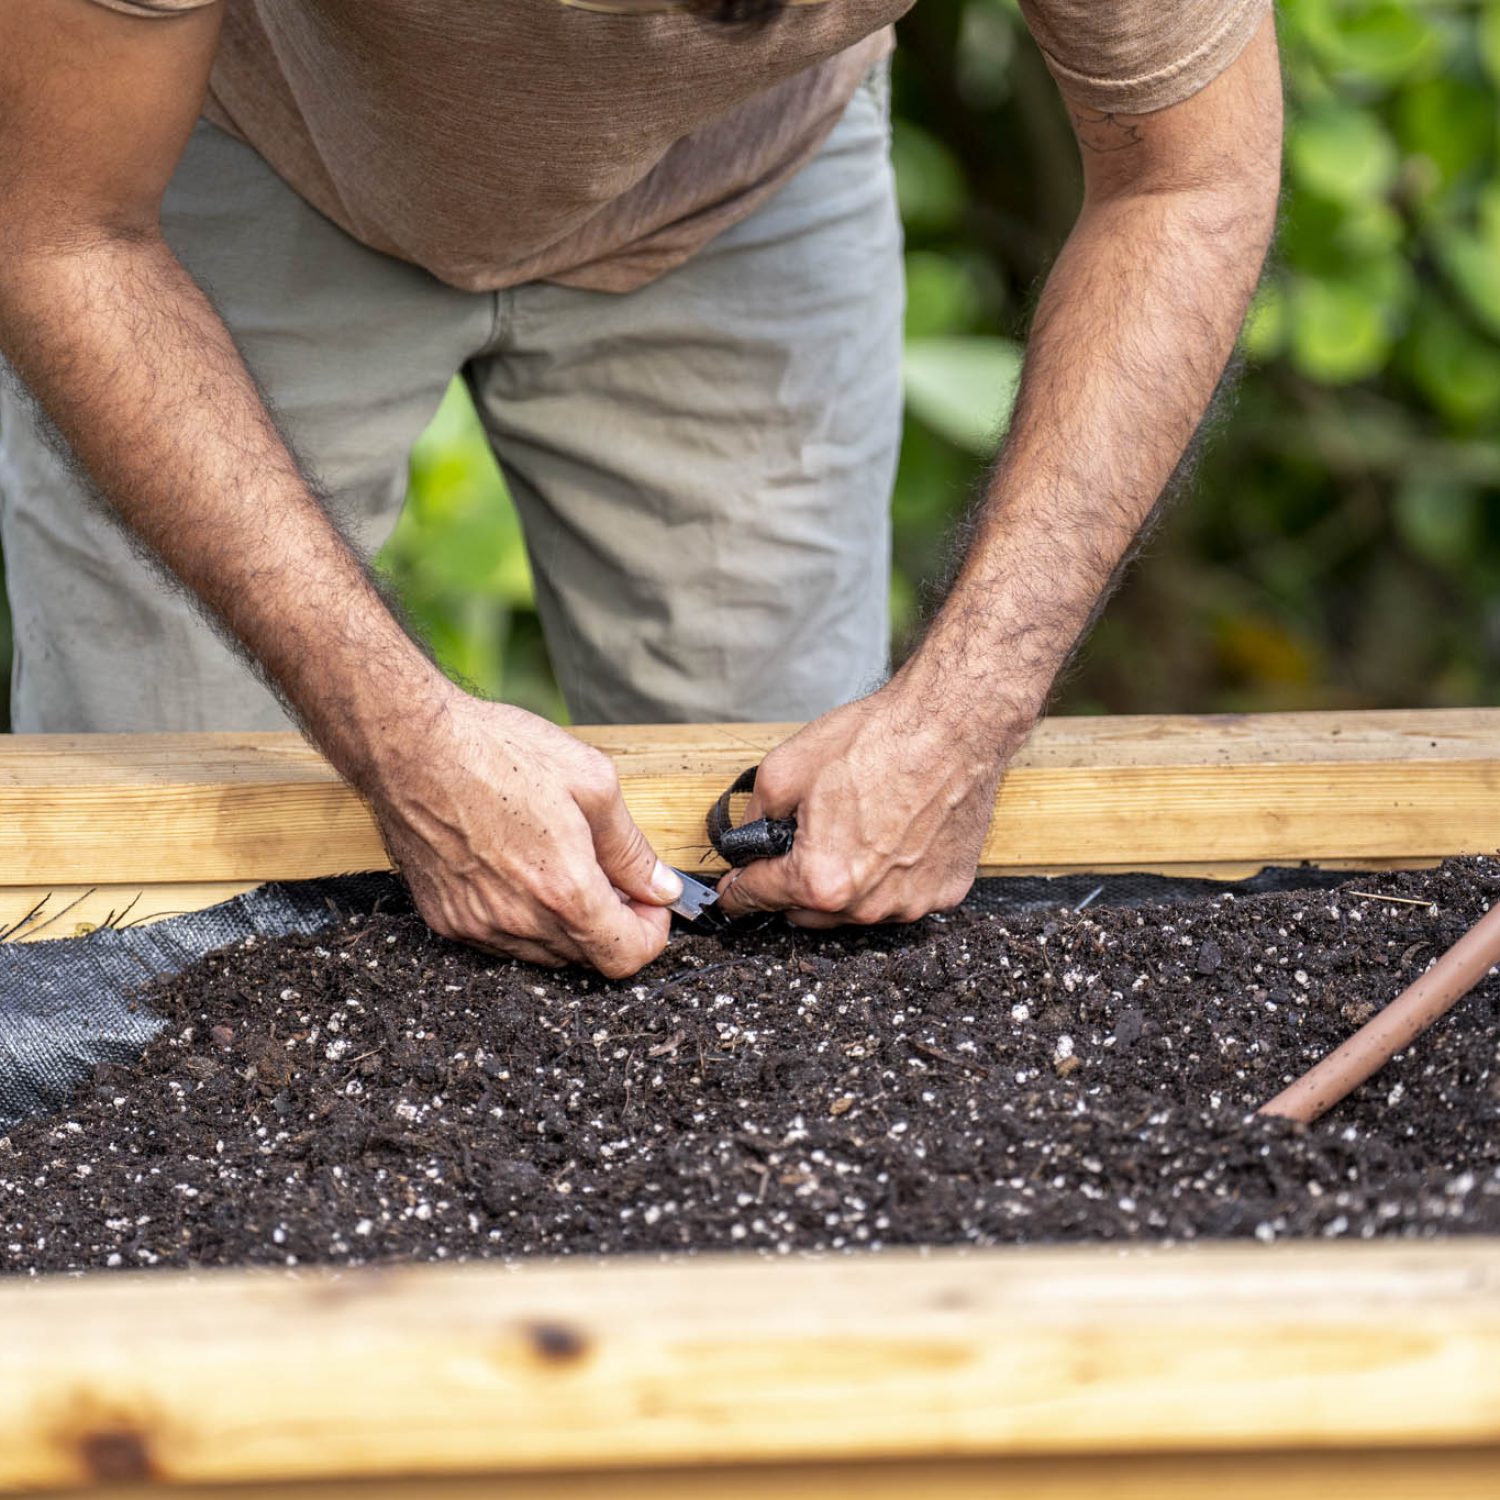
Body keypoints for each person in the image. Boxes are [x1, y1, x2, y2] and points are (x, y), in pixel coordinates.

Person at [0, 0, 1282, 975]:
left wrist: (966, 714)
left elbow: (1190, 181)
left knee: (810, 861)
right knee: (160, 912)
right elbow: (61, 228)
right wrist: (398, 743)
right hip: (221, 142)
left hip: (742, 177)